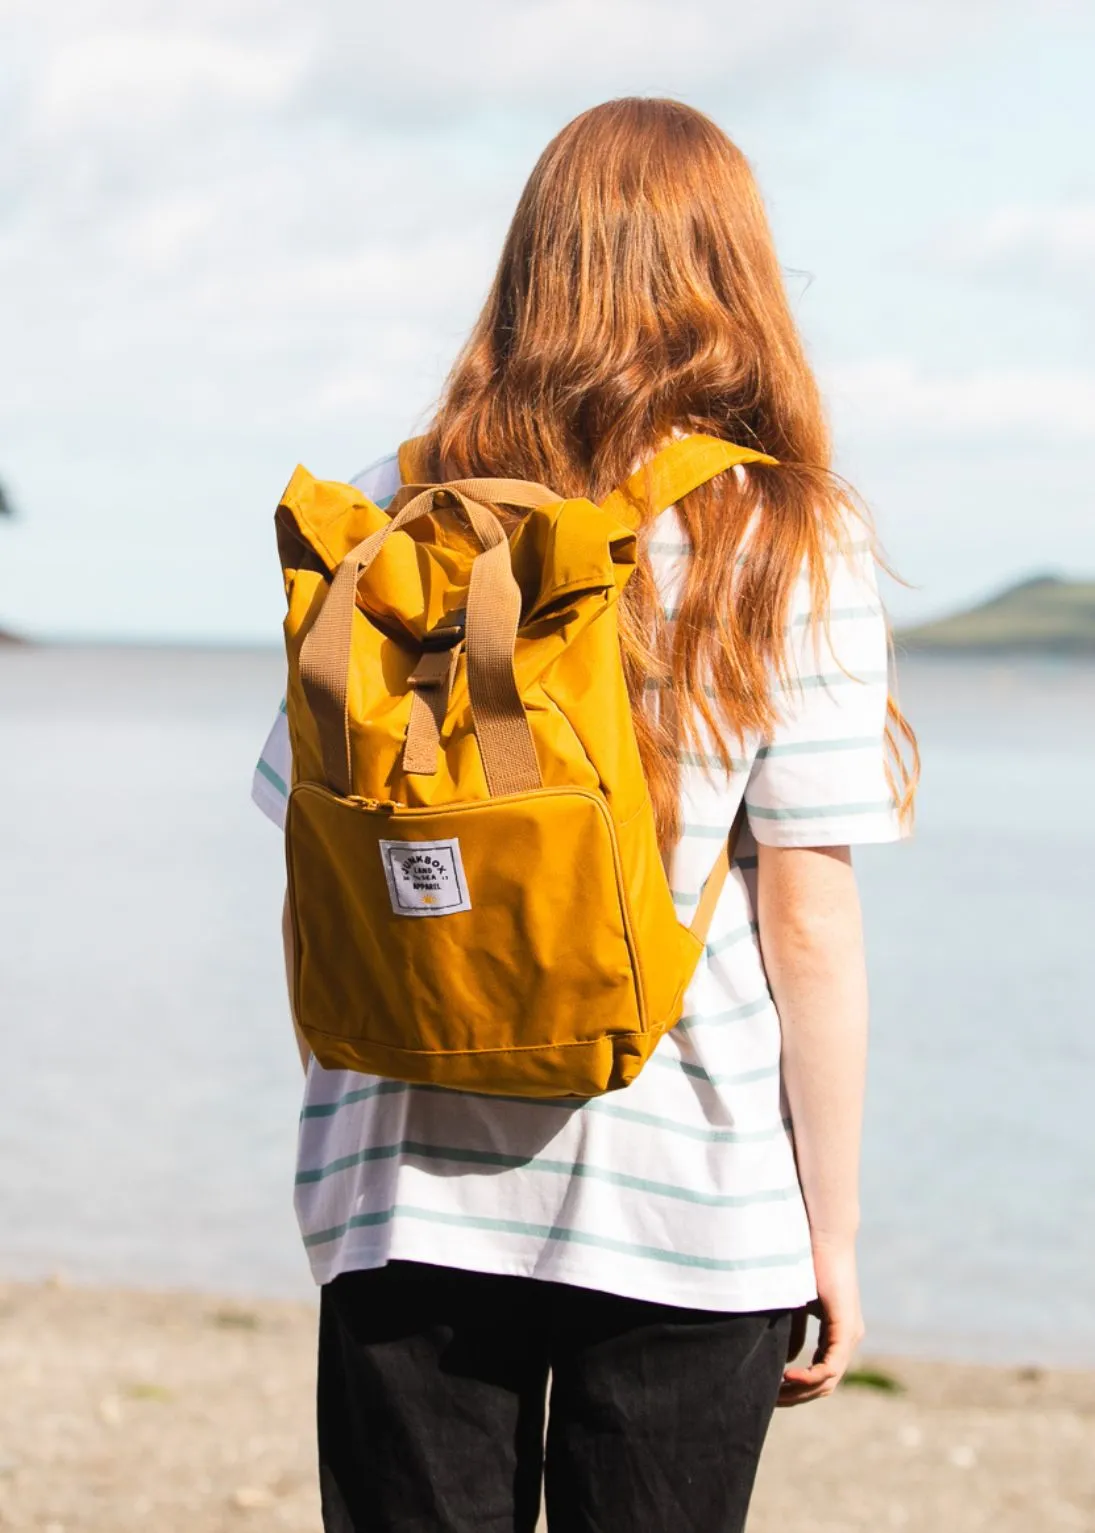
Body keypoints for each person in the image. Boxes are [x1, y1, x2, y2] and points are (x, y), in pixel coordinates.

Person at [252, 97, 916, 1533]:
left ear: (532, 261)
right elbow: (806, 919)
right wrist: (834, 1234)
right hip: (686, 1195)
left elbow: (310, 830)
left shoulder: (389, 506)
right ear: (734, 272)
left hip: (401, 1182)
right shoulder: (782, 529)